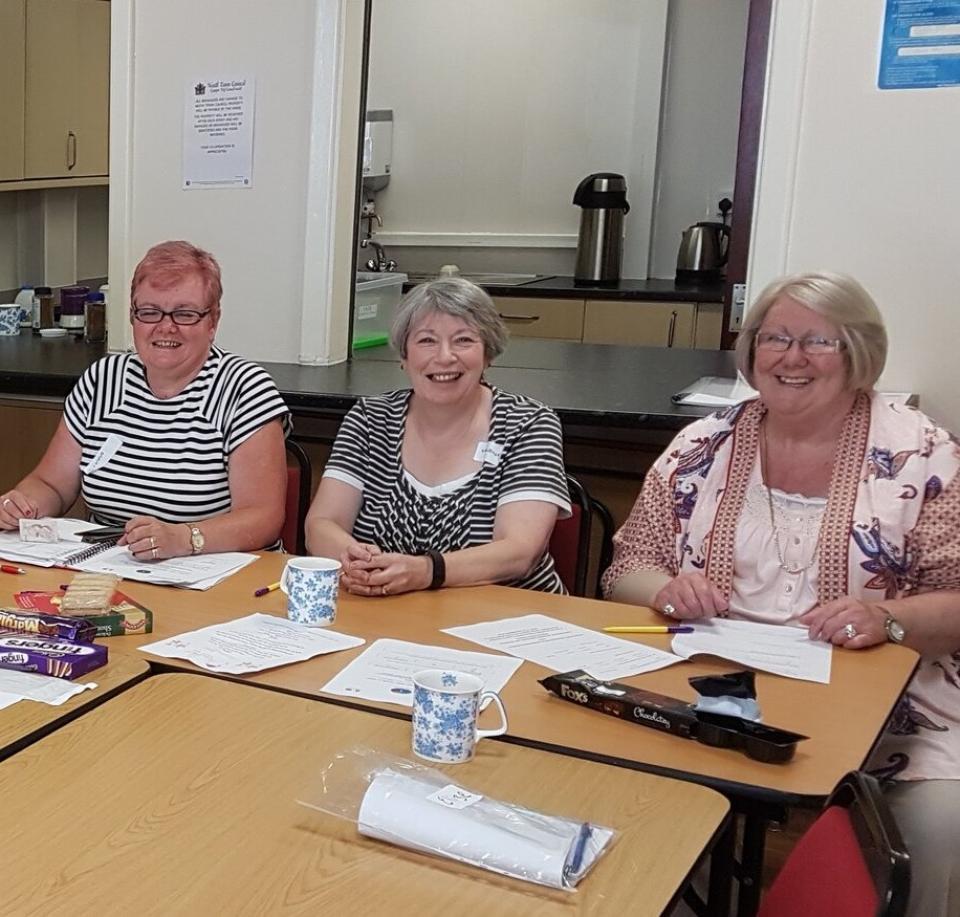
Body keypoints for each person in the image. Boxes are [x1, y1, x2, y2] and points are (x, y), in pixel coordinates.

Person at [602, 272, 960, 917]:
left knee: (937, 825)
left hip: (891, 709)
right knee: (619, 794)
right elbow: (627, 566)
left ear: (858, 354)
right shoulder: (701, 444)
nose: (792, 359)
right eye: (776, 338)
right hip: (713, 691)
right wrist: (667, 590)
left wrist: (888, 617)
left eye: (817, 342)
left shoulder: (923, 454)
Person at [0, 241, 289, 559]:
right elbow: (51, 484)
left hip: (214, 573)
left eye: (185, 314)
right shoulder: (102, 380)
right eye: (150, 312)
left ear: (213, 320)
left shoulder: (244, 389)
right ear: (133, 317)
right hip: (112, 566)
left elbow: (262, 518)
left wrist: (183, 538)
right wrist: (23, 504)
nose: (166, 327)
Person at [305, 277, 570, 595]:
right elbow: (320, 525)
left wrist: (427, 571)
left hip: (509, 621)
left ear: (488, 354)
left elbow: (519, 553)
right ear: (404, 357)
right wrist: (354, 560)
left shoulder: (528, 424)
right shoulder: (370, 419)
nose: (445, 357)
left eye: (463, 341)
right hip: (391, 612)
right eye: (427, 341)